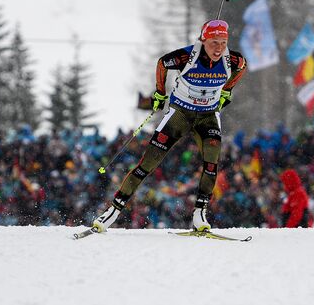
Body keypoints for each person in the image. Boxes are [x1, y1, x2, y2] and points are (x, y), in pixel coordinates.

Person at [93, 19, 247, 233]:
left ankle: (199, 213)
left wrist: (227, 90)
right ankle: (113, 210)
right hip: (181, 113)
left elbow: (242, 67)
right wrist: (160, 93)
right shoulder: (187, 56)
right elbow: (162, 63)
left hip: (208, 115)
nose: (219, 48)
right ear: (203, 40)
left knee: (212, 163)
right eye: (213, 42)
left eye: (223, 42)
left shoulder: (233, 60)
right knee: (147, 164)